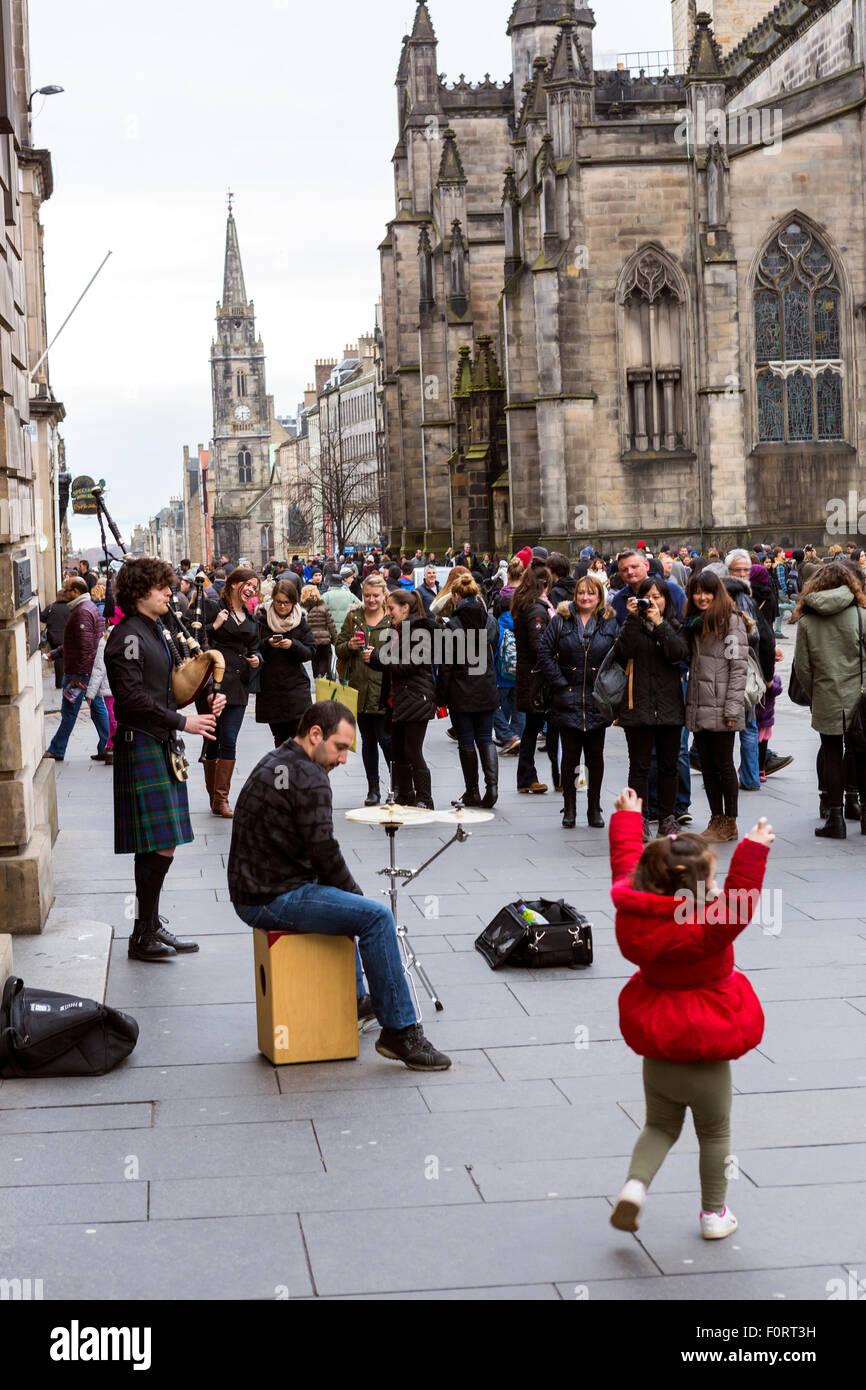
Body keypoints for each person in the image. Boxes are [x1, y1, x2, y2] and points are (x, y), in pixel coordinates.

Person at [228, 702, 450, 1069]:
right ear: (315, 734)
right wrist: (356, 897)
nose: (343, 759)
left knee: (347, 905)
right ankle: (400, 1031)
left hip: (256, 889)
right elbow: (325, 854)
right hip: (269, 897)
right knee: (376, 917)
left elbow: (314, 853)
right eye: (340, 747)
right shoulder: (310, 777)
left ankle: (359, 999)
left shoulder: (278, 758)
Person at [608, 788, 772, 1240]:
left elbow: (626, 867)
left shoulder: (634, 914)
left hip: (658, 1036)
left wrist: (628, 820)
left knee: (659, 1125)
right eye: (712, 879)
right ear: (696, 888)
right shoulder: (708, 927)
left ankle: (635, 1186)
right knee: (715, 1132)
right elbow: (742, 900)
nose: (717, 886)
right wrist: (754, 848)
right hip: (706, 1038)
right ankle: (714, 1214)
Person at [104, 558, 225, 961]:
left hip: (159, 739)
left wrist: (209, 696)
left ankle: (148, 928)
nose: (170, 593)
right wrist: (183, 722)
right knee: (162, 843)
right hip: (142, 740)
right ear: (141, 593)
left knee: (159, 843)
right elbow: (130, 700)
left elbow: (173, 682)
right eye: (162, 587)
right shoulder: (127, 638)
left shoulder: (156, 629)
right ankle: (144, 931)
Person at [537, 573, 618, 830]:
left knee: (595, 757)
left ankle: (594, 805)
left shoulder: (609, 622)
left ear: (599, 596)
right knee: (570, 757)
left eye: (590, 593)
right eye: (581, 593)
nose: (585, 597)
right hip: (567, 697)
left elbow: (618, 655)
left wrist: (608, 687)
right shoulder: (561, 620)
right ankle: (570, 805)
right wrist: (560, 682)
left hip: (597, 699)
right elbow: (545, 653)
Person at [794, 561, 866, 839]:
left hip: (826, 694)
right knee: (861, 753)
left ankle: (835, 819)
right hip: (860, 695)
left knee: (832, 753)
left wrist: (818, 692)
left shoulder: (808, 619)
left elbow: (802, 667)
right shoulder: (861, 614)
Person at [613, 577, 689, 840]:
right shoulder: (631, 623)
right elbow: (622, 651)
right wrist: (633, 619)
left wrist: (660, 625)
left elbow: (678, 653)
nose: (653, 601)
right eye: (648, 597)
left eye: (658, 597)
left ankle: (667, 818)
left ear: (666, 600)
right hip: (638, 705)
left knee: (669, 766)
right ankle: (639, 818)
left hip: (669, 706)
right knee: (640, 766)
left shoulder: (674, 626)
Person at [685, 571, 750, 843]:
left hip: (723, 705)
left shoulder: (731, 623)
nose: (702, 597)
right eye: (697, 591)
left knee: (723, 765)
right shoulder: (694, 624)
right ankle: (716, 818)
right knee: (707, 766)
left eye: (707, 592)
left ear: (717, 593)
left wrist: (733, 709)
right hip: (699, 703)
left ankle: (730, 821)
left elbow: (738, 668)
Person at [364, 589, 437, 809]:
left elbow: (408, 665)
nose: (388, 613)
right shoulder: (398, 630)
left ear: (405, 608)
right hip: (398, 700)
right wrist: (373, 658)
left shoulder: (419, 631)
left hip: (416, 698)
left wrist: (378, 657)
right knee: (398, 751)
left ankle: (425, 798)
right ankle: (406, 794)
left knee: (413, 751)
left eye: (391, 608)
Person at [436, 574, 500, 808]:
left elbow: (446, 666)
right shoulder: (490, 622)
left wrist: (440, 697)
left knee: (466, 741)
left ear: (455, 596)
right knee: (485, 738)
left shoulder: (452, 625)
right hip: (486, 687)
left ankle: (472, 791)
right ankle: (491, 789)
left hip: (461, 691)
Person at [203, 567, 262, 818]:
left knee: (229, 737)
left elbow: (255, 647)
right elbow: (196, 639)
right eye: (247, 584)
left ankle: (222, 798)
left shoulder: (250, 618)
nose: (251, 590)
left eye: (254, 587)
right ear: (234, 583)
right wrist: (213, 626)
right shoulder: (213, 608)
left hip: (238, 683)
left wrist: (257, 658)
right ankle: (214, 798)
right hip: (214, 681)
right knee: (212, 738)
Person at [336, 574, 393, 807]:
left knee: (386, 740)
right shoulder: (354, 617)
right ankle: (373, 788)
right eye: (367, 595)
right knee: (368, 741)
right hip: (359, 689)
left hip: (384, 690)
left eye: (375, 596)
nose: (371, 600)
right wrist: (348, 645)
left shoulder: (391, 618)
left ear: (383, 595)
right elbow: (338, 648)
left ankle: (397, 785)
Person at [44, 578, 111, 763]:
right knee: (97, 709)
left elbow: (86, 647)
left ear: (75, 591)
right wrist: (56, 653)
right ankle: (108, 746)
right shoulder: (87, 608)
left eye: (66, 589)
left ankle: (57, 748)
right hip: (89, 670)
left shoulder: (81, 612)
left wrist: (77, 676)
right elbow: (79, 642)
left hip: (80, 672)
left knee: (69, 712)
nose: (63, 592)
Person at [511, 564, 554, 795]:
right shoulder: (537, 610)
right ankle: (529, 776)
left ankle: (528, 776)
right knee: (536, 727)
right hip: (537, 679)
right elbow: (538, 645)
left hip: (531, 676)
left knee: (533, 727)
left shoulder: (526, 605)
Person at [255, 582, 315, 747]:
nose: (282, 606)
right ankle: (284, 772)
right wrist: (267, 643)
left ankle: (298, 772)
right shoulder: (262, 621)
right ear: (272, 600)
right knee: (280, 740)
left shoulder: (300, 621)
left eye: (286, 603)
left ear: (294, 602)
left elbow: (310, 652)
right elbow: (252, 647)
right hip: (271, 689)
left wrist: (293, 645)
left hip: (296, 688)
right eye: (278, 602)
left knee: (299, 739)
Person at [611, 550, 686, 626]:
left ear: (646, 565)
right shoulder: (618, 600)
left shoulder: (672, 590)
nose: (629, 572)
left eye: (634, 567)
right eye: (624, 570)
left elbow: (686, 627)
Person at [492, 594, 524, 754]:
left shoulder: (497, 625)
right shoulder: (522, 623)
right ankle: (516, 738)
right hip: (519, 676)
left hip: (501, 676)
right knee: (519, 709)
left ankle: (508, 737)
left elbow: (494, 651)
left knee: (490, 706)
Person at [85, 629, 115, 765]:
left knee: (113, 718)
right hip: (125, 686)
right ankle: (110, 745)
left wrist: (90, 694)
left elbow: (99, 669)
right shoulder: (131, 635)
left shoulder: (105, 641)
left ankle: (114, 746)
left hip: (110, 688)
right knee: (113, 718)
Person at [301, 583, 339, 680]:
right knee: (324, 659)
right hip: (324, 640)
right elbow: (331, 624)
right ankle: (321, 674)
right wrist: (336, 639)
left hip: (311, 640)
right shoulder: (323, 606)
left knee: (315, 659)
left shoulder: (302, 609)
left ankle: (317, 676)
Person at [41, 587, 70, 689]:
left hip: (53, 636)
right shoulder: (70, 607)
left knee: (58, 658)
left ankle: (59, 683)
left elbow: (42, 617)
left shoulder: (51, 607)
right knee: (66, 657)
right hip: (67, 636)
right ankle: (67, 681)